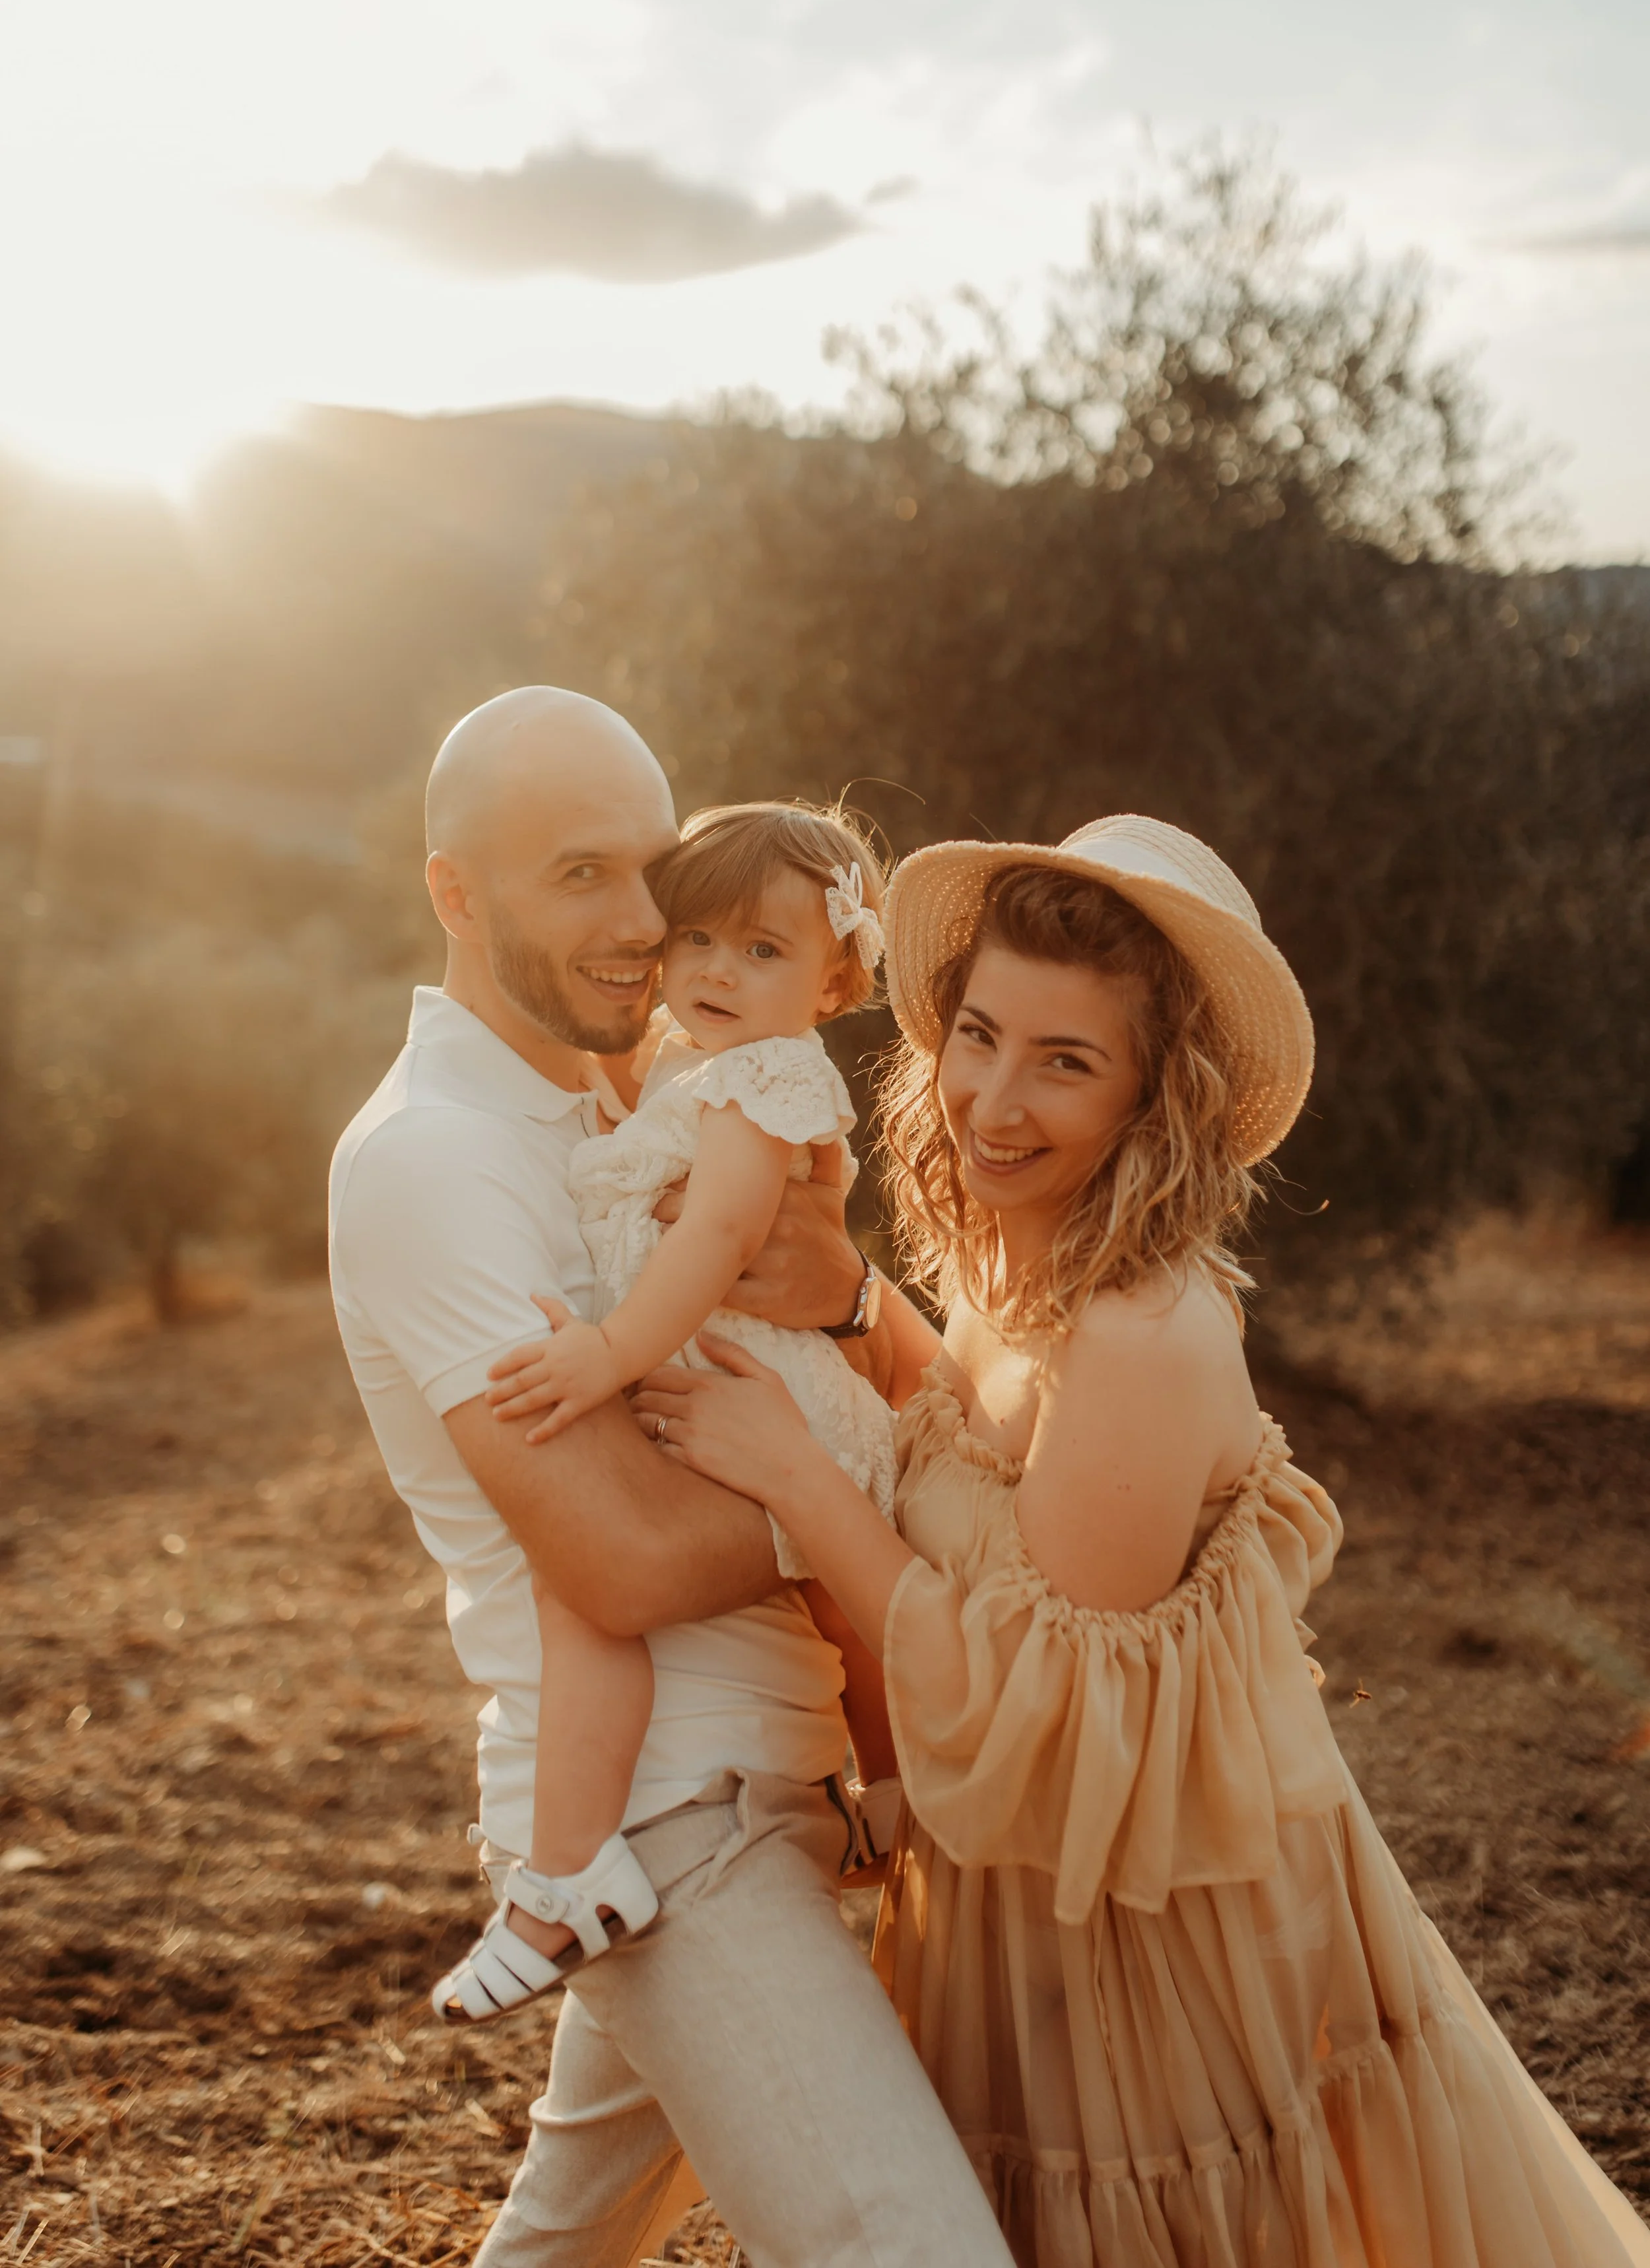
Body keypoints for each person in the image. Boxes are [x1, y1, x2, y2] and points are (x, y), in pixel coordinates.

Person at [637, 815, 1650, 2268]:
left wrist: (798, 1479)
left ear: (1152, 1095)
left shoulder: (1142, 1332)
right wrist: (857, 1300)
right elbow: (984, 1461)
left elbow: (1043, 1710)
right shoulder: (1022, 1245)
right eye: (979, 1034)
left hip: (1158, 1963)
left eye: (1065, 1061)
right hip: (1028, 1924)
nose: (991, 1102)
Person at [328, 688, 1014, 2268]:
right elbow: (621, 1562)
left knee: (563, 2244)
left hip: (763, 1778)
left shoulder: (673, 1080)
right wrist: (846, 1505)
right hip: (668, 1820)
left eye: (650, 865)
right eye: (577, 873)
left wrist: (844, 1297)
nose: (644, 922)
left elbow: (914, 1398)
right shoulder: (435, 1157)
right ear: (454, 894)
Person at [430, 800, 902, 2026]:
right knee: (814, 1614)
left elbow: (721, 1237)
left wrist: (607, 1351)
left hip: (755, 1391)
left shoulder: (770, 1078)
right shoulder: (694, 1057)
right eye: (696, 938)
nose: (716, 971)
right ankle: (879, 1794)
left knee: (604, 1593)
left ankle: (567, 1875)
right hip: (708, 1383)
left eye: (762, 950)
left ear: (834, 979)